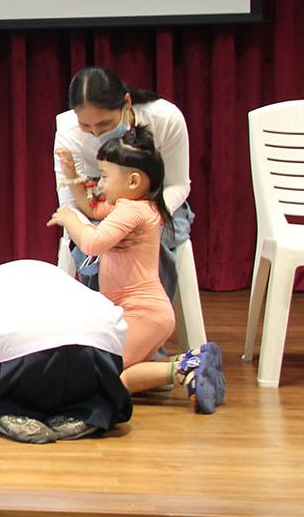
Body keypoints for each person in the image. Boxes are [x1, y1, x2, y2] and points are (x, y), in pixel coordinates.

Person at [49, 126, 224, 413]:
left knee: (108, 379)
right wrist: (71, 173)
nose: (101, 184)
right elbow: (93, 209)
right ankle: (193, 364)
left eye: (105, 176)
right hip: (143, 314)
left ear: (133, 181)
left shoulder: (132, 211)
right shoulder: (136, 206)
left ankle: (185, 366)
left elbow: (92, 243)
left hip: (143, 314)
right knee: (125, 372)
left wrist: (69, 219)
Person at [0, 260, 133, 443]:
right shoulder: (62, 278)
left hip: (20, 363)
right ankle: (90, 411)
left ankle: (0, 408)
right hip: (96, 353)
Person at [53, 66, 193, 297]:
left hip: (158, 202)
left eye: (105, 124)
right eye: (86, 126)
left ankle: (146, 308)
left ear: (127, 102)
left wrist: (145, 219)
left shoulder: (165, 118)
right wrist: (103, 232)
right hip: (101, 206)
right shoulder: (69, 134)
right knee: (97, 249)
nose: (96, 134)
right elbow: (73, 204)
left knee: (150, 242)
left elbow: (178, 185)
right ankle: (105, 312)